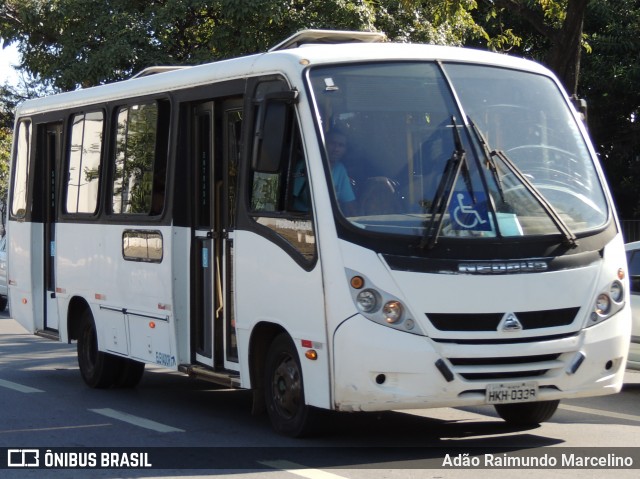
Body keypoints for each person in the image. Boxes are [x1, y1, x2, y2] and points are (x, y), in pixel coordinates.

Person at [293, 129, 357, 215]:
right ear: (324, 144)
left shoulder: (340, 169)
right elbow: (293, 197)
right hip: (303, 216)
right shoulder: (306, 165)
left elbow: (349, 202)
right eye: (332, 143)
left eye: (341, 145)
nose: (336, 149)